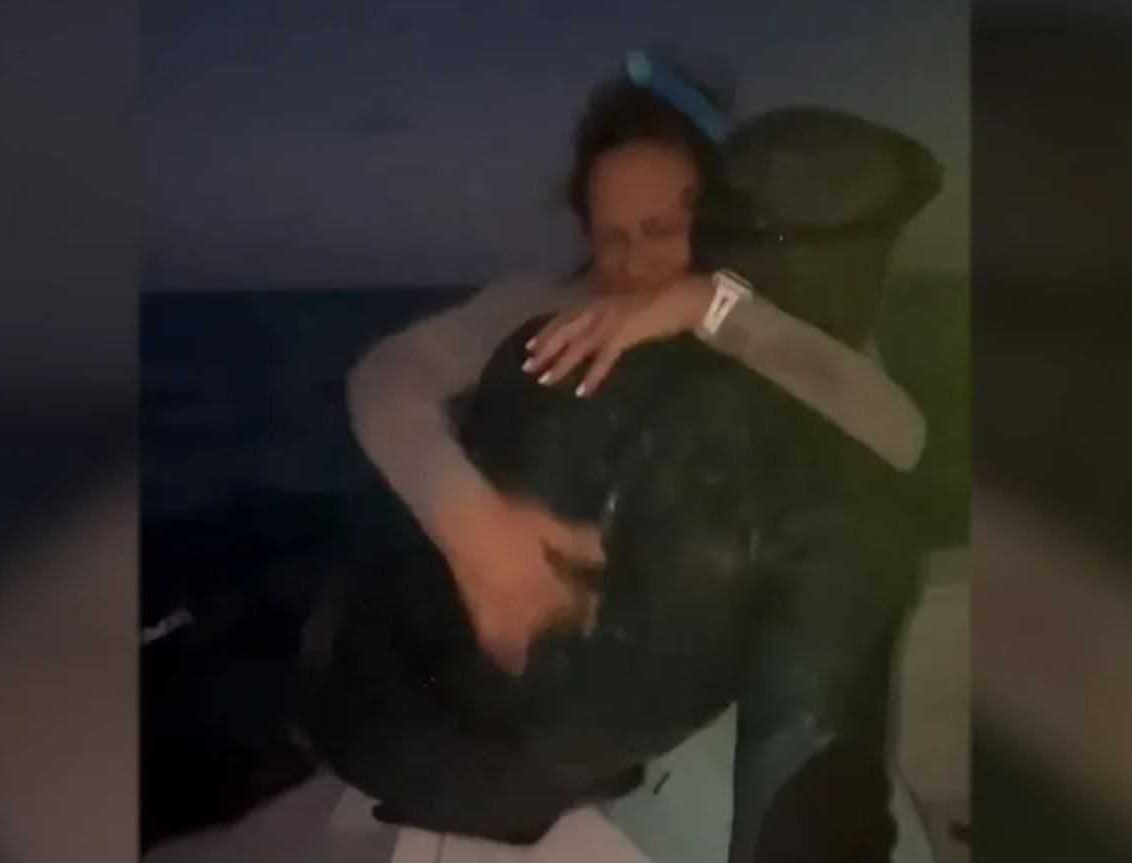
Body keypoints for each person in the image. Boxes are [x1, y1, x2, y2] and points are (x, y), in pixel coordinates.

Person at [347, 62, 926, 682]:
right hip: (566, 659)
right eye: (611, 237)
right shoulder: (546, 309)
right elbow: (385, 376)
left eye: (662, 231)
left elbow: (902, 436)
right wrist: (472, 524)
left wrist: (707, 307)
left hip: (733, 641)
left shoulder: (766, 320)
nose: (635, 264)